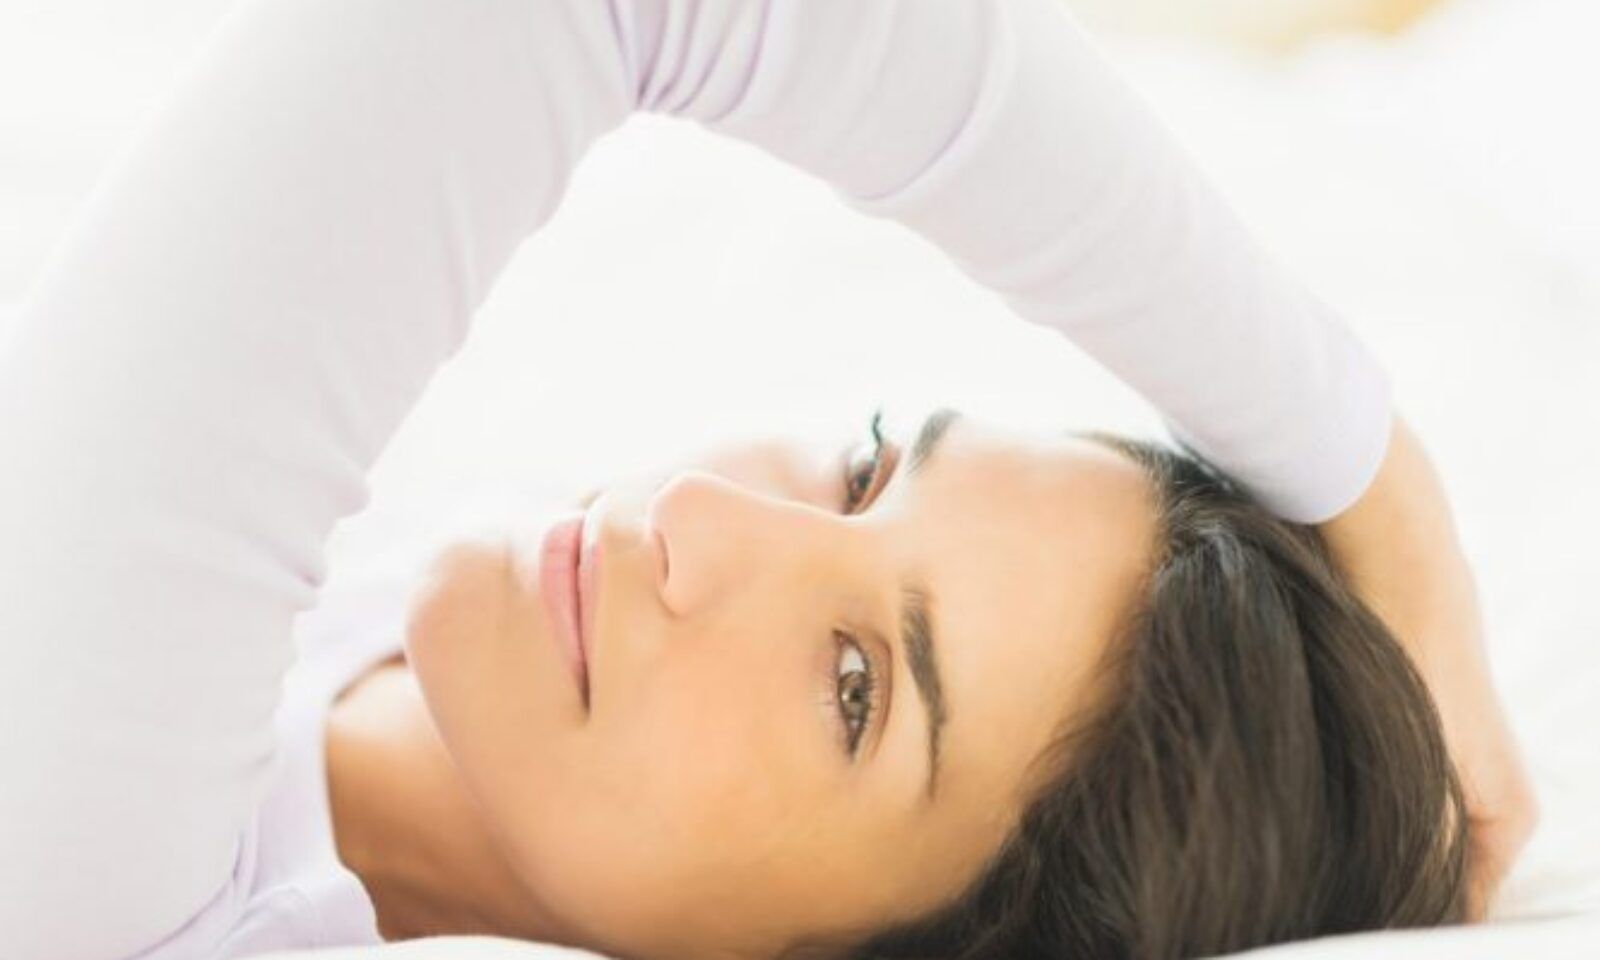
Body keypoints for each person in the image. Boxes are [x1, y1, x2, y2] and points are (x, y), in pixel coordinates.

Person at [0, 1, 1535, 959]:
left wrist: (1364, 461)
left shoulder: (91, 858)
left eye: (856, 686)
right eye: (863, 471)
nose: (704, 520)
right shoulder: (338, 631)